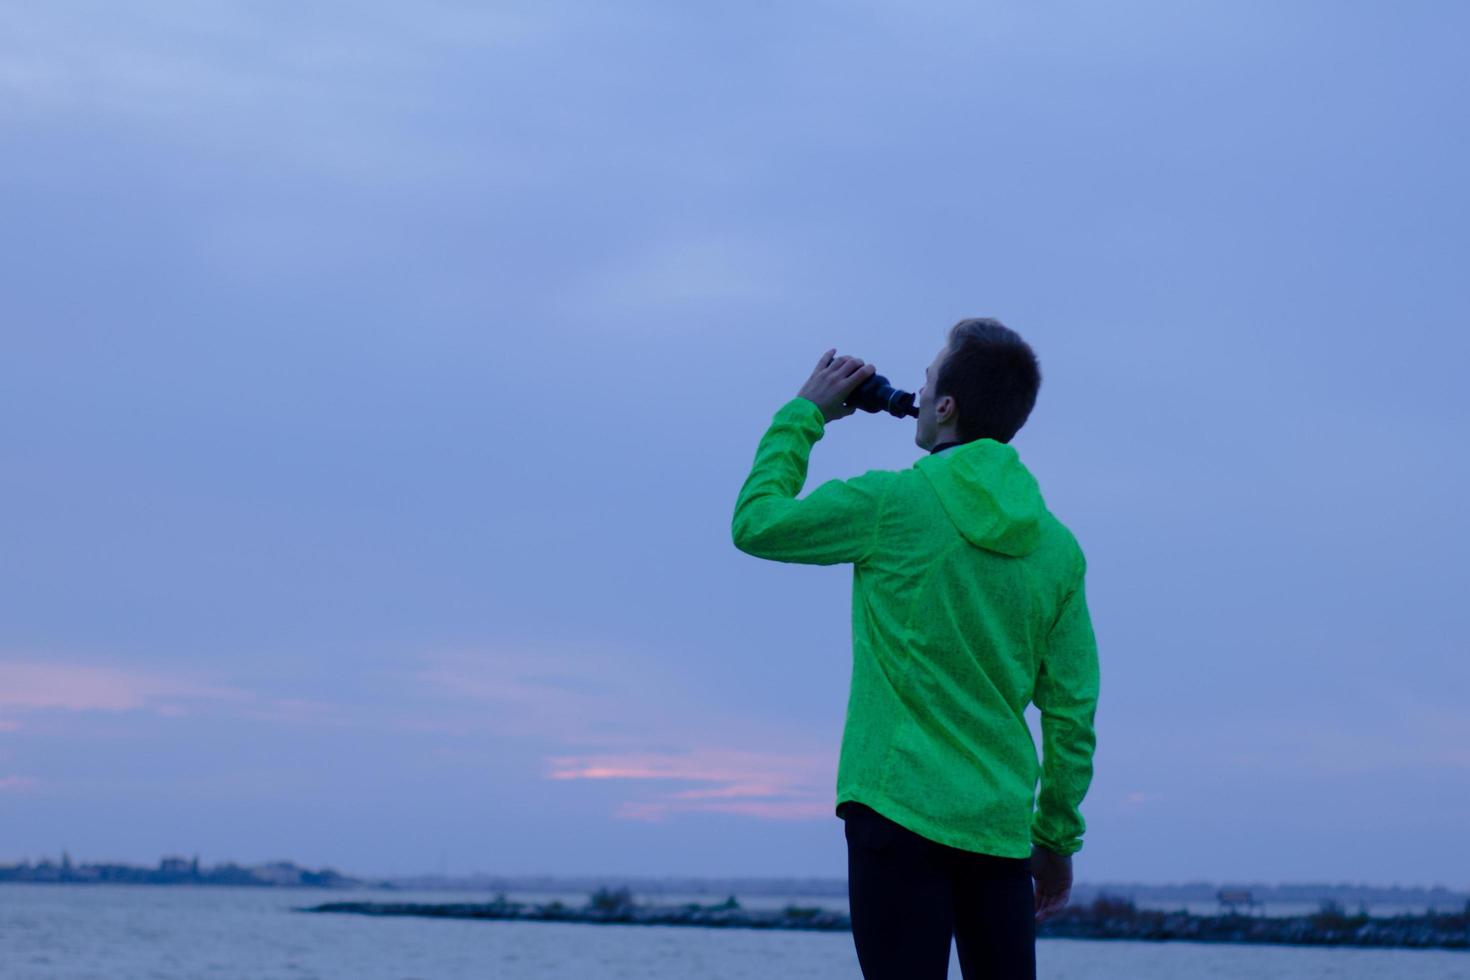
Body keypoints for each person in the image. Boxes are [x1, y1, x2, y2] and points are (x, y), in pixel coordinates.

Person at [731, 318, 1100, 980]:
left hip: (896, 812)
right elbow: (1072, 711)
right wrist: (1056, 840)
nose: (920, 391)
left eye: (928, 380)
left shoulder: (890, 503)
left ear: (947, 406)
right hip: (999, 828)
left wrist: (803, 415)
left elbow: (757, 523)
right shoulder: (1057, 549)